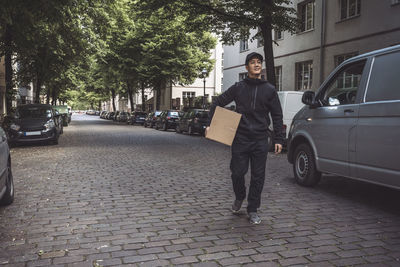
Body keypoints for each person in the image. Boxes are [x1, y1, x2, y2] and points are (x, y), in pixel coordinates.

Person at [205, 52, 284, 225]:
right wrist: (211, 123)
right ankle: (240, 196)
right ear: (247, 67)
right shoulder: (238, 87)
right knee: (237, 172)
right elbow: (218, 102)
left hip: (260, 139)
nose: (256, 65)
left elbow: (277, 115)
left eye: (259, 62)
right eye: (253, 62)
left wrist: (279, 139)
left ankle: (253, 209)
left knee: (258, 176)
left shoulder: (269, 89)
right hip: (240, 138)